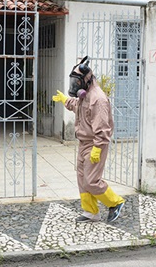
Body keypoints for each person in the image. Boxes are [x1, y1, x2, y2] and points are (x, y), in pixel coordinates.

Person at [52, 57, 125, 223]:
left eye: (77, 81)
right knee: (82, 178)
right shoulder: (85, 96)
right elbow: (78, 107)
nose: (75, 84)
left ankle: (116, 202)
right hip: (83, 143)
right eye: (73, 81)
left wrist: (98, 148)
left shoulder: (98, 99)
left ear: (87, 79)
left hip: (94, 144)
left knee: (91, 181)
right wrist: (65, 100)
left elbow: (103, 129)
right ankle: (91, 212)